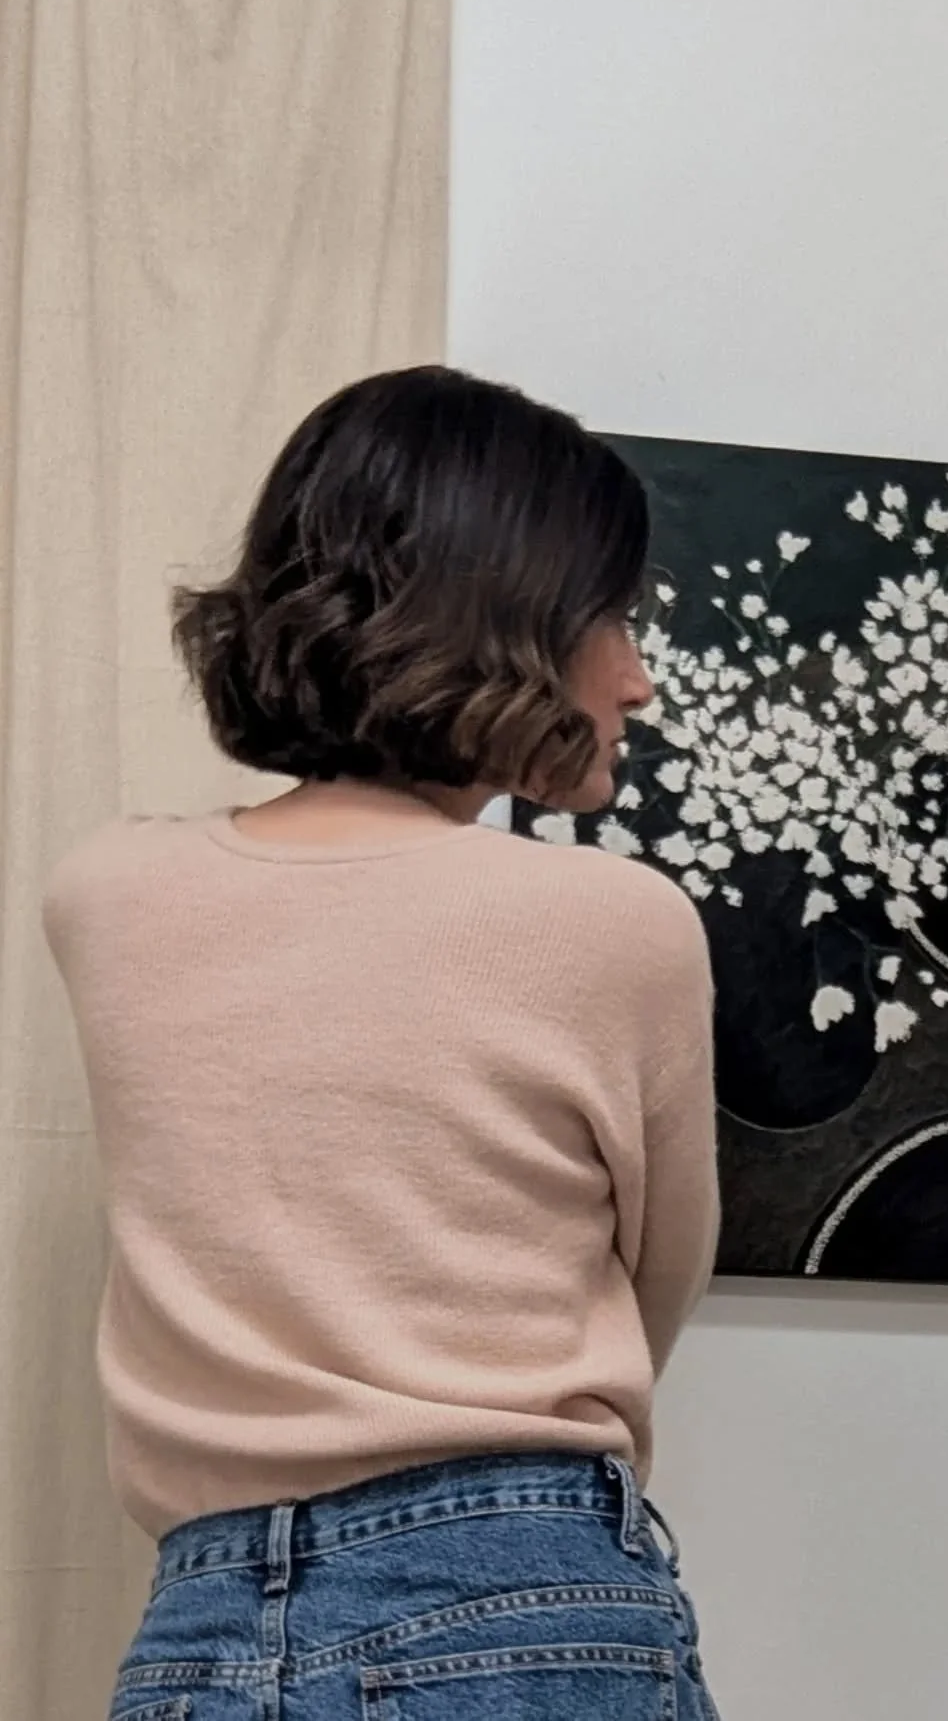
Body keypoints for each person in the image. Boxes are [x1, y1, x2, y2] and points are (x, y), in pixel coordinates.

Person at [44, 366, 722, 1721]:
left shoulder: (107, 894)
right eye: (614, 616)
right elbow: (653, 1280)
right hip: (524, 1602)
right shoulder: (618, 923)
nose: (638, 678)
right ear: (505, 615)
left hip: (202, 1625)